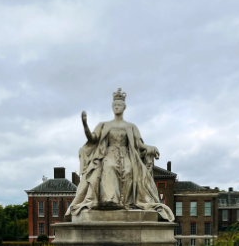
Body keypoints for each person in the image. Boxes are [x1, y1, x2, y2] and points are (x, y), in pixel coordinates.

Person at [66, 89, 174, 221]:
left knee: (129, 170)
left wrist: (150, 147)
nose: (117, 106)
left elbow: (139, 145)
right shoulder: (104, 125)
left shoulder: (131, 127)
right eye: (115, 105)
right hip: (109, 155)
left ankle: (125, 203)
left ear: (124, 107)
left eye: (119, 104)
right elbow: (92, 139)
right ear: (112, 107)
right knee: (109, 166)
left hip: (126, 155)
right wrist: (85, 125)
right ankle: (110, 201)